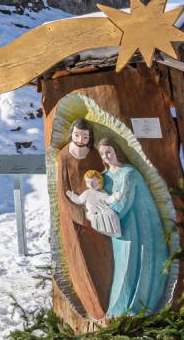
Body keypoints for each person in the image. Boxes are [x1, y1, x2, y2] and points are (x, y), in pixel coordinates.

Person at [98, 138, 170, 317]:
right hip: (117, 227)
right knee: (122, 265)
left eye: (109, 152)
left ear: (117, 151)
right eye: (102, 153)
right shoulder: (104, 176)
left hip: (136, 225)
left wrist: (104, 213)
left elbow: (123, 203)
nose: (106, 156)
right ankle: (119, 309)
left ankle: (133, 308)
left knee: (132, 264)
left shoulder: (128, 173)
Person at [55, 119, 113, 319]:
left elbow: (105, 178)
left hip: (97, 211)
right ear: (72, 134)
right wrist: (77, 213)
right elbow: (62, 189)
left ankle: (108, 299)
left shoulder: (95, 154)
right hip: (76, 217)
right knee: (80, 256)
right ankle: (92, 305)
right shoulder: (64, 156)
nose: (80, 139)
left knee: (103, 257)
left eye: (85, 136)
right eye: (77, 135)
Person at [66, 169, 121, 238]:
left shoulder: (102, 192)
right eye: (88, 182)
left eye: (93, 182)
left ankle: (115, 231)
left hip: (102, 210)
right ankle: (103, 229)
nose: (91, 184)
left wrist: (115, 196)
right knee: (96, 217)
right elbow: (79, 200)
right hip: (93, 212)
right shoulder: (87, 193)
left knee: (111, 213)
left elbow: (108, 200)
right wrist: (71, 195)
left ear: (99, 181)